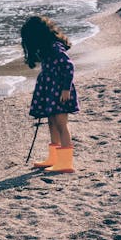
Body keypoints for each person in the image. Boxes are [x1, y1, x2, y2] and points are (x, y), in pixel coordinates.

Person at [21, 16, 79, 173]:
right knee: (52, 123)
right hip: (50, 92)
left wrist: (66, 89)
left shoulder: (54, 47)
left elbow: (69, 66)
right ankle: (54, 158)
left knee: (61, 124)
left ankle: (65, 163)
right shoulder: (46, 49)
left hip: (60, 92)